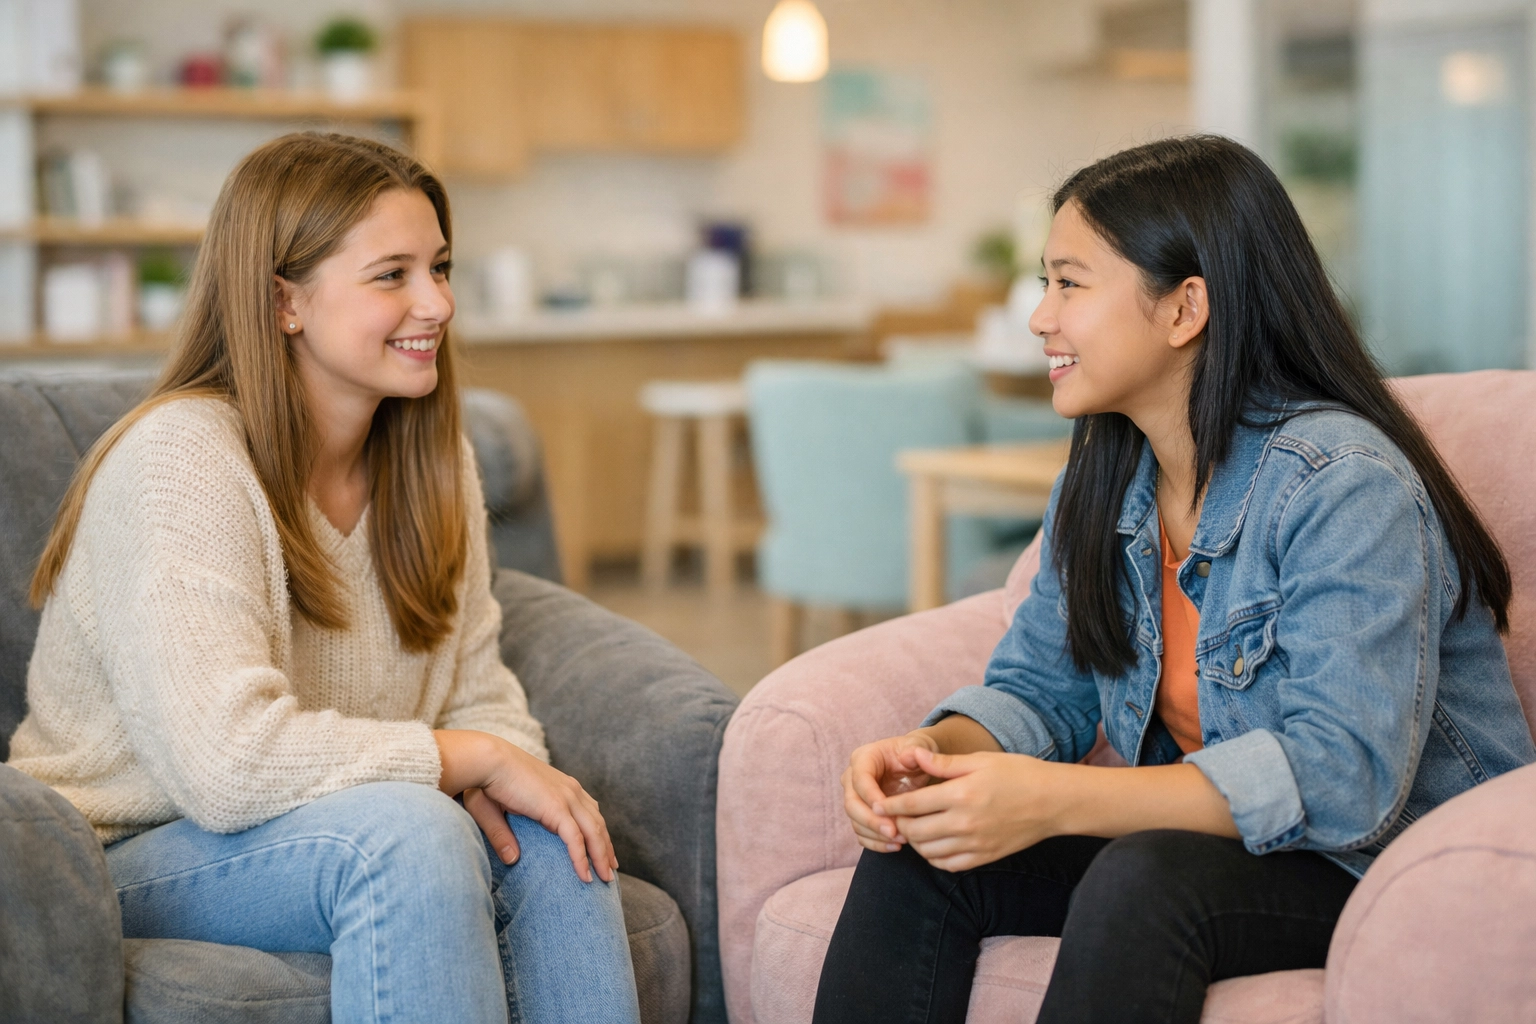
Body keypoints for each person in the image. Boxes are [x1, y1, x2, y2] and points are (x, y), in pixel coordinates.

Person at [813, 135, 1536, 1024]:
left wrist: (1052, 800)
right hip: (1231, 847)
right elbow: (1045, 685)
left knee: (1143, 874)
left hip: (1387, 861)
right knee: (923, 851)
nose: (1041, 318)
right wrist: (935, 763)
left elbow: (1343, 776)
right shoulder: (1110, 475)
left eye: (1069, 284)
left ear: (1185, 306)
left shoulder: (1341, 483)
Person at [8, 132, 641, 1024]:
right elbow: (225, 766)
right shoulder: (182, 461)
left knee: (554, 830)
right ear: (284, 303)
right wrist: (461, 761)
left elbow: (481, 696)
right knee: (411, 835)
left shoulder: (434, 464)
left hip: (351, 818)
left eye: (441, 267)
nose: (439, 303)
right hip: (130, 852)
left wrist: (502, 763)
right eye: (393, 275)